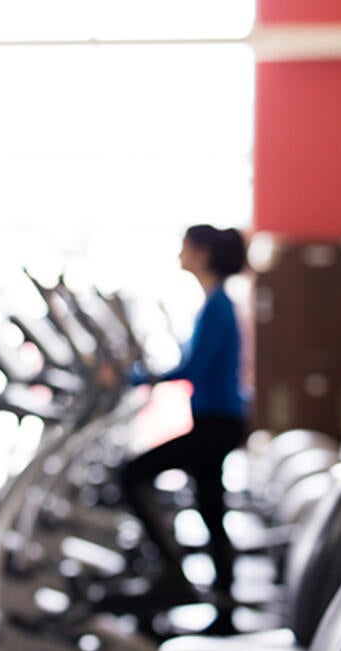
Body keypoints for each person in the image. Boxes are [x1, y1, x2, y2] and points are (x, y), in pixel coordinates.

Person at [116, 224, 249, 629]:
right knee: (210, 506)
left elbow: (195, 367)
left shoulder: (217, 306)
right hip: (219, 420)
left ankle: (174, 572)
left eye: (185, 248)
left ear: (203, 253)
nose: (179, 256)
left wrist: (136, 377)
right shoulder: (215, 303)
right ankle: (223, 604)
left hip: (217, 423)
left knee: (131, 475)